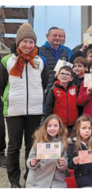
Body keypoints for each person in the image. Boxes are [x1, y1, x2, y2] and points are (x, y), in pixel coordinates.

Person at [0, 23, 48, 188]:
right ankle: (14, 181)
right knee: (14, 146)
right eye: (25, 41)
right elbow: (1, 85)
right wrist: (8, 99)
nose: (28, 45)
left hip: (34, 110)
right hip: (13, 110)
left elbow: (45, 83)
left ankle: (30, 177)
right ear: (18, 42)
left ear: (35, 44)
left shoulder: (40, 61)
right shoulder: (7, 60)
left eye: (31, 42)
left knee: (31, 146)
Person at [26, 114, 68, 188]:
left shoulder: (63, 143)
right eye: (49, 126)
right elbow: (30, 158)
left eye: (55, 126)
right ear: (45, 127)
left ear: (60, 127)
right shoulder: (39, 141)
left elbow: (66, 163)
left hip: (56, 181)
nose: (52, 128)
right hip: (37, 179)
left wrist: (63, 163)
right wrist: (32, 162)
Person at [68, 115, 92, 188]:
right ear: (77, 129)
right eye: (84, 128)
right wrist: (74, 162)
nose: (87, 130)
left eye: (89, 128)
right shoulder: (73, 144)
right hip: (83, 181)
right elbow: (70, 165)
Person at [39, 26, 72, 93]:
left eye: (59, 36)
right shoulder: (40, 51)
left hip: (61, 89)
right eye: (54, 35)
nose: (57, 38)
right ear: (47, 36)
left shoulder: (65, 51)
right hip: (45, 89)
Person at [46, 66, 78, 134]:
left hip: (73, 124)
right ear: (58, 76)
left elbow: (79, 105)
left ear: (71, 78)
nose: (64, 76)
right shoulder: (53, 89)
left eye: (67, 74)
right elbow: (48, 107)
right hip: (58, 124)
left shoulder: (75, 88)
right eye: (62, 73)